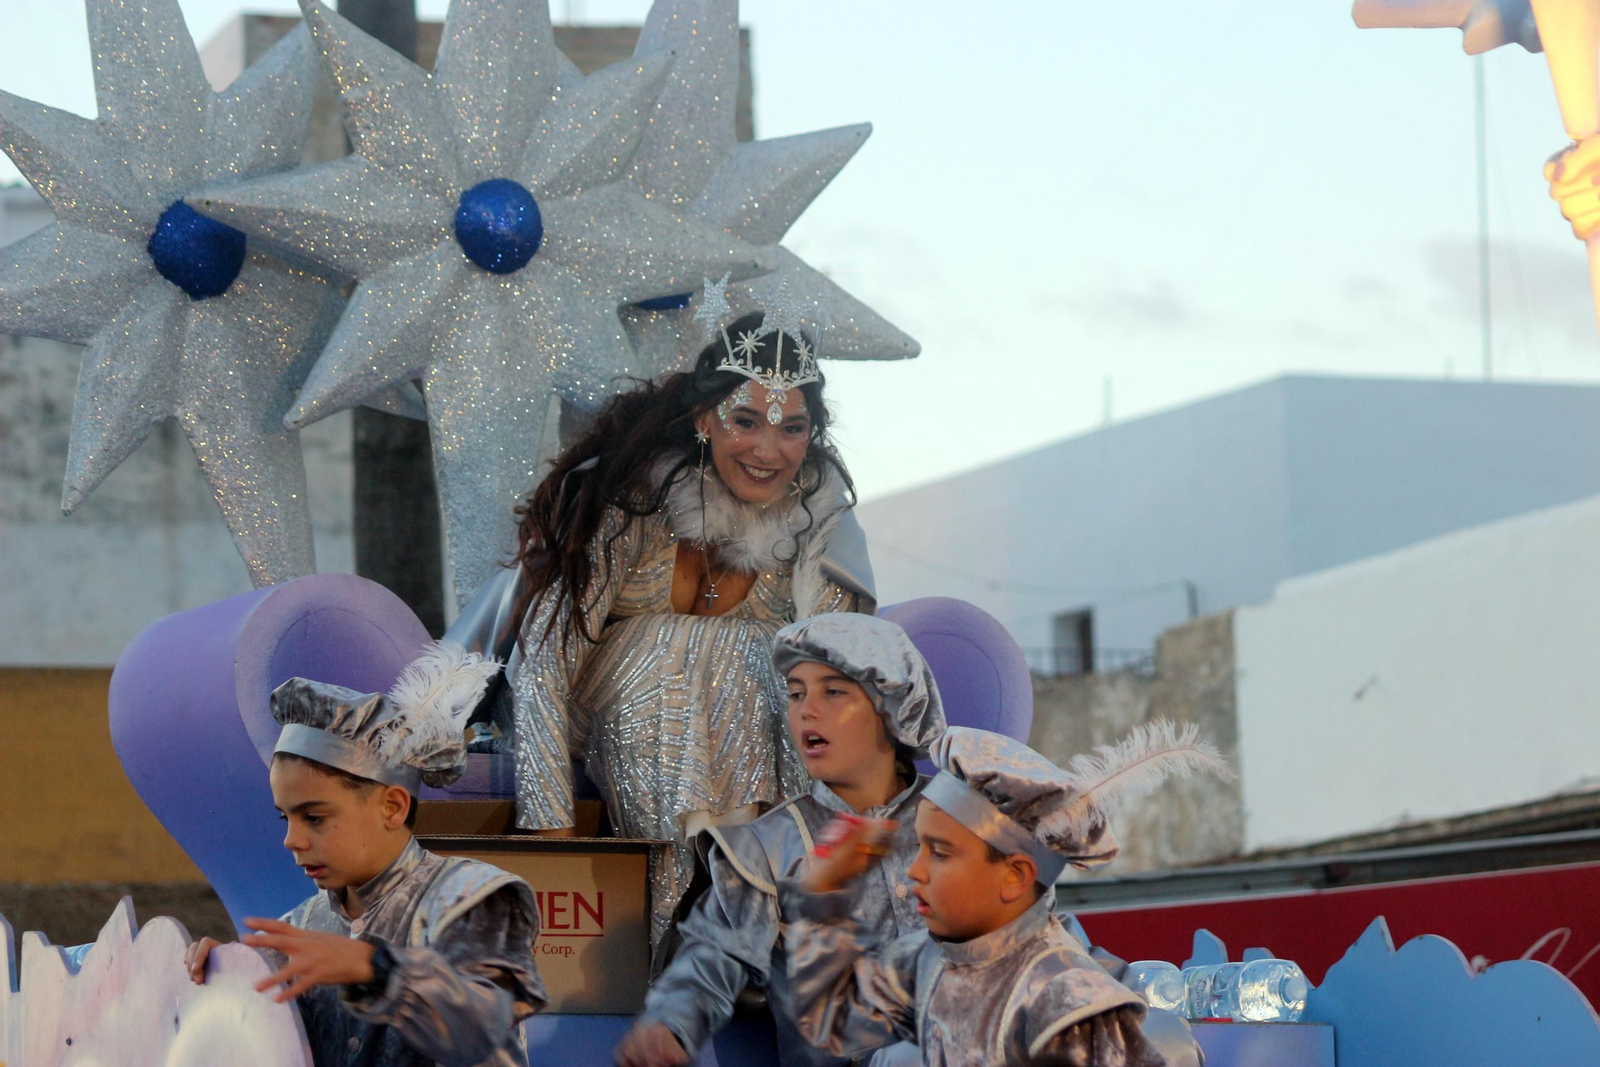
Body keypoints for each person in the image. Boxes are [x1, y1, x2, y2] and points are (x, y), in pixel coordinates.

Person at [448, 298, 876, 958]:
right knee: (683, 648)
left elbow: (838, 686)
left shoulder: (820, 527)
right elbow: (544, 663)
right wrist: (550, 833)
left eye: (791, 428)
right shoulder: (636, 500)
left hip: (748, 716)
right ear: (705, 418)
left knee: (774, 660)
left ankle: (773, 913)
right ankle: (675, 936)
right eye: (745, 420)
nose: (768, 450)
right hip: (592, 701)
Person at [184, 641, 545, 1067]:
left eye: (314, 818)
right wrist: (224, 978)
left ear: (392, 806)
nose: (292, 840)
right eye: (285, 819)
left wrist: (377, 968)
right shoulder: (300, 931)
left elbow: (485, 1029)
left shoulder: (470, 899)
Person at [781, 725, 1229, 1067]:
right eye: (917, 847)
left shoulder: (1066, 998)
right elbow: (834, 1022)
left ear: (1014, 876)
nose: (914, 871)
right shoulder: (926, 960)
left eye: (940, 853)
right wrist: (823, 897)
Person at [615, 613, 945, 1067]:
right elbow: (714, 955)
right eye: (795, 693)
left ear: (892, 705)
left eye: (833, 691)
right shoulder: (767, 848)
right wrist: (672, 1022)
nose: (806, 709)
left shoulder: (958, 819)